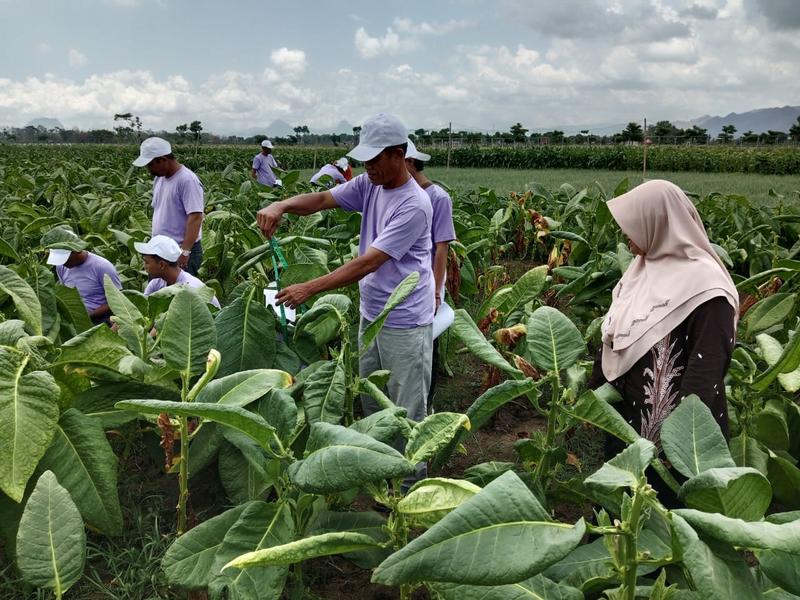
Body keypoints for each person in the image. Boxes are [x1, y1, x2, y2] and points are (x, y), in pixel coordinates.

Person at [256, 113, 434, 483]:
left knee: (406, 403)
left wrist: (309, 287)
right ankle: (379, 467)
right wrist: (281, 205)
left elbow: (368, 262)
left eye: (375, 158)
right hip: (373, 312)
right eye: (363, 159)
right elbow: (322, 198)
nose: (366, 166)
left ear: (399, 154)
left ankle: (410, 481)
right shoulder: (371, 184)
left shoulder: (414, 204)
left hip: (404, 318)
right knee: (371, 395)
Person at [590, 180, 739, 449]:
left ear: (658, 223)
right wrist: (594, 393)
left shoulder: (707, 286)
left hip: (679, 435)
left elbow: (706, 368)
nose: (624, 231)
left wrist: (683, 438)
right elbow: (611, 336)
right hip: (628, 419)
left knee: (666, 489)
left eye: (633, 222)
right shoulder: (640, 269)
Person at [404, 139, 456, 413]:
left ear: (410, 163)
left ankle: (427, 404)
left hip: (427, 285)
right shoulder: (403, 194)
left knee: (427, 346)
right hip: (405, 288)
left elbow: (441, 249)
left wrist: (435, 292)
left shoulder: (438, 197)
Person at [132, 137, 205, 276]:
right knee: (156, 294)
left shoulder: (187, 180)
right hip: (159, 250)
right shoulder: (159, 178)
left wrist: (185, 252)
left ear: (163, 159)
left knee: (180, 295)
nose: (149, 170)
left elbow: (195, 217)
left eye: (150, 165)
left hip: (178, 251)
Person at [46, 234, 122, 325]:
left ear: (77, 251)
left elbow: (119, 301)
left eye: (65, 259)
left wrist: (87, 316)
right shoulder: (61, 267)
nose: (63, 263)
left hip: (100, 322)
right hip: (73, 320)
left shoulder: (102, 267)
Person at [134, 235, 220, 308]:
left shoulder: (190, 289)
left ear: (162, 265)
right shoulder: (156, 283)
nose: (144, 265)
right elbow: (144, 309)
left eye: (146, 262)